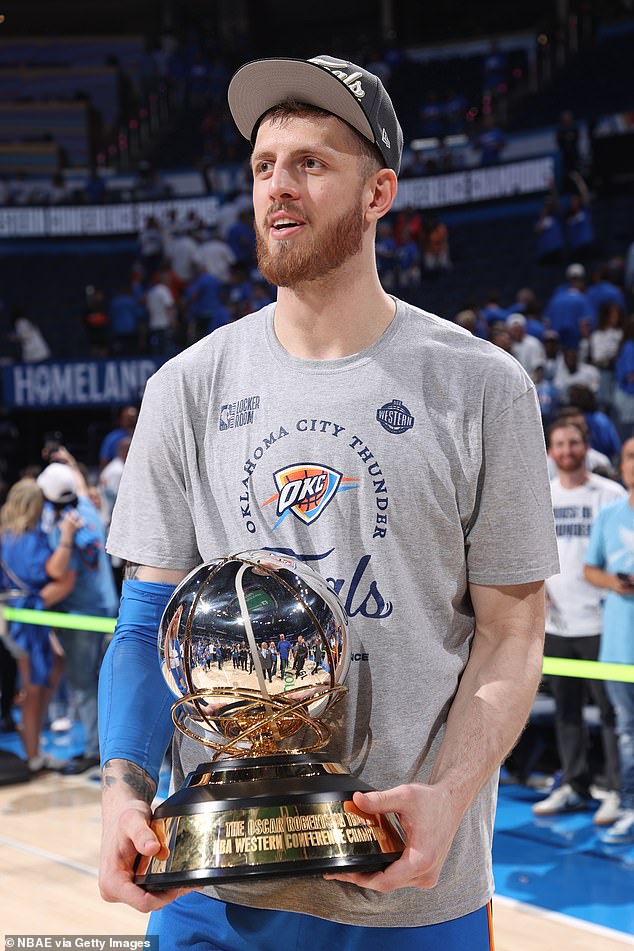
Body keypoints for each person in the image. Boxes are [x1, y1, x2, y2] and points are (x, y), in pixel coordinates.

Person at [98, 54, 559, 950]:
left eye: (313, 163)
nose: (280, 187)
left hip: (412, 882)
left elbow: (513, 632)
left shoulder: (483, 387)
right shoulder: (184, 387)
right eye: (265, 166)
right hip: (213, 887)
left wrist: (449, 797)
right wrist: (121, 784)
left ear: (379, 190)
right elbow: (146, 617)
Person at [532, 420, 624, 822]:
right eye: (559, 444)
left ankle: (618, 791)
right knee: (566, 711)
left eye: (574, 443)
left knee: (612, 714)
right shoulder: (542, 497)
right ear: (550, 452)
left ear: (587, 447)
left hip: (604, 623)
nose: (567, 450)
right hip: (557, 623)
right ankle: (574, 783)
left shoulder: (611, 495)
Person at [38, 456, 118, 775]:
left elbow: (61, 573)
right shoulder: (87, 507)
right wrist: (71, 461)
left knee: (84, 683)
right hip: (104, 603)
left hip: (80, 612)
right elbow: (80, 488)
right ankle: (108, 745)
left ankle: (92, 749)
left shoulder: (64, 528)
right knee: (104, 680)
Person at [0, 478, 79, 772]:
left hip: (19, 617)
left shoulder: (8, 535)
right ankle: (33, 754)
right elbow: (53, 570)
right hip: (25, 620)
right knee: (33, 688)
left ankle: (34, 746)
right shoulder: (26, 538)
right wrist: (66, 538)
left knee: (49, 669)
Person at [584, 436, 634, 843]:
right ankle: (629, 805)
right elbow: (590, 570)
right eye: (632, 456)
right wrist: (615, 583)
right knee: (626, 732)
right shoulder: (611, 515)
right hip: (618, 646)